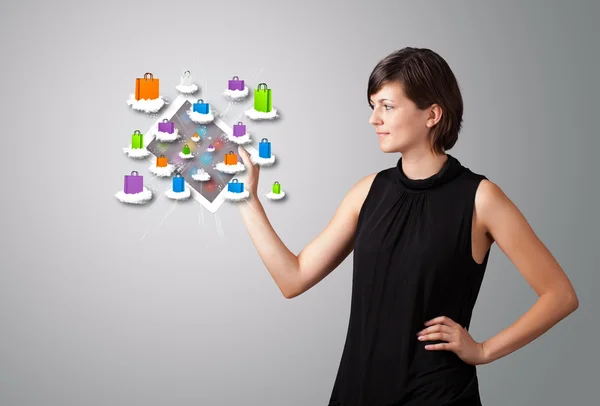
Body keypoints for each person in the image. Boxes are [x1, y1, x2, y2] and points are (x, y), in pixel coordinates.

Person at [236, 47, 579, 405]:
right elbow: (292, 278)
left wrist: (483, 350)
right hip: (357, 391)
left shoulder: (481, 199)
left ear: (432, 114)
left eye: (387, 106)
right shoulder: (367, 191)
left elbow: (560, 295)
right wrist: (249, 201)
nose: (374, 119)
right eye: (372, 106)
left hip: (437, 395)